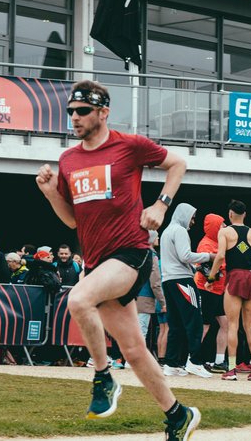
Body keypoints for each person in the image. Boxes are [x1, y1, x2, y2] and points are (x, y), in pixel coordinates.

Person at [36, 79, 199, 440]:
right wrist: (50, 194)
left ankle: (103, 376)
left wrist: (160, 205)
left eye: (83, 111)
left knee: (78, 298)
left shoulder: (129, 146)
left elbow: (178, 164)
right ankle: (178, 415)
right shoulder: (69, 159)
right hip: (96, 262)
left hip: (130, 253)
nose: (74, 118)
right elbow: (72, 219)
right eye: (71, 112)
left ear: (103, 112)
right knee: (135, 351)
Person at [208, 200, 251, 381]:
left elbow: (221, 255)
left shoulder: (225, 232)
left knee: (233, 325)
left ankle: (231, 369)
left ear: (230, 214)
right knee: (249, 325)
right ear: (245, 215)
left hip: (234, 277)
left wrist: (211, 277)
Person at [160, 203, 216, 378]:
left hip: (168, 280)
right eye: (192, 217)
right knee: (195, 321)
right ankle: (195, 362)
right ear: (185, 215)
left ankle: (172, 363)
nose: (193, 221)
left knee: (175, 324)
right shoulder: (180, 231)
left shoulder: (166, 232)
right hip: (182, 280)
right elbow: (185, 256)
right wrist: (209, 256)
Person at [194, 213, 229, 374]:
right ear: (215, 227)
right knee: (204, 325)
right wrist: (216, 273)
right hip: (205, 289)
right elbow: (201, 266)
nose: (225, 227)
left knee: (225, 324)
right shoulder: (205, 244)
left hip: (218, 290)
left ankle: (219, 361)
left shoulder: (221, 243)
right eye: (222, 224)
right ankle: (192, 359)